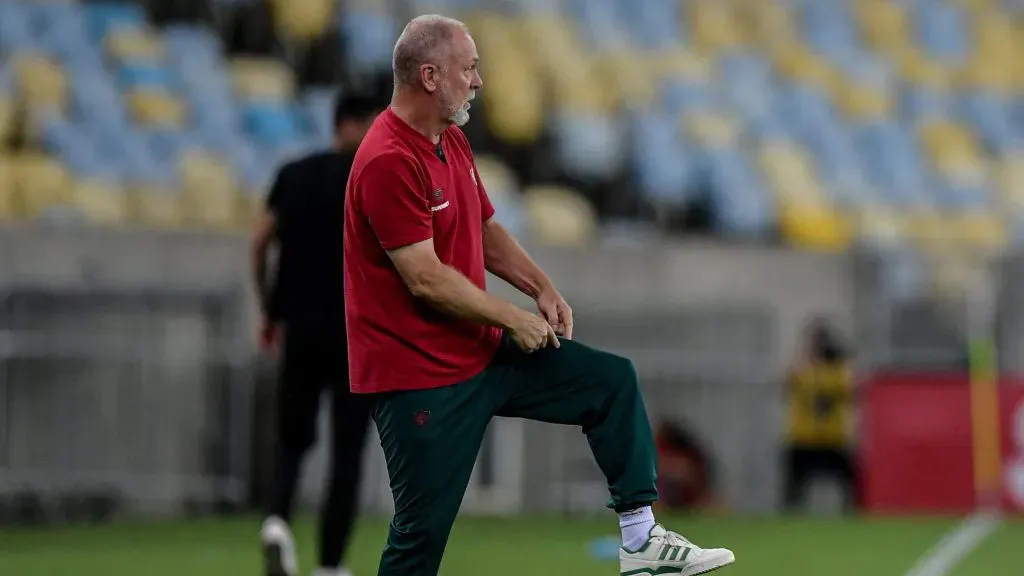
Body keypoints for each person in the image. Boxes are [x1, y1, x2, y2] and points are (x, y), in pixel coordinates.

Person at [343, 15, 736, 576]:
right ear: (430, 76)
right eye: (469, 68)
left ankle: (641, 541)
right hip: (420, 379)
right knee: (418, 544)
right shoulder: (387, 158)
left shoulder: (448, 139)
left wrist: (541, 286)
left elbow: (483, 228)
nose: (478, 81)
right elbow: (424, 278)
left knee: (610, 382)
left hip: (476, 350)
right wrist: (511, 317)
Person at [251, 88, 386, 576]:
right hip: (356, 335)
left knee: (291, 441)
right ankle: (330, 564)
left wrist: (269, 309)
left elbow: (261, 240)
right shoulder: (368, 179)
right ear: (355, 123)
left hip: (300, 329)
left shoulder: (293, 174)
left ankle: (277, 526)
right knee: (346, 451)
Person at [783, 317, 858, 513]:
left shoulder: (837, 371)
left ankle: (854, 515)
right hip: (804, 437)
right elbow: (787, 382)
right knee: (794, 485)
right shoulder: (802, 369)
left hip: (832, 438)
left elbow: (849, 388)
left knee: (851, 481)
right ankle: (789, 517)